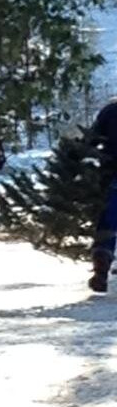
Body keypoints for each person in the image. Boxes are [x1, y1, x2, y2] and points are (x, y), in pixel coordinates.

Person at [88, 100, 117, 293]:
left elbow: (91, 140)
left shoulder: (110, 111)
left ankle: (102, 267)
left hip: (111, 174)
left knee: (108, 220)